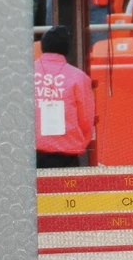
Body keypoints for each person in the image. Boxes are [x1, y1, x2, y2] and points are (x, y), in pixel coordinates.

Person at [34, 26, 95, 168]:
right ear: (67, 48)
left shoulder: (25, 73)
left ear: (43, 46)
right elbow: (86, 119)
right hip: (66, 158)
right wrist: (77, 144)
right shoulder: (79, 78)